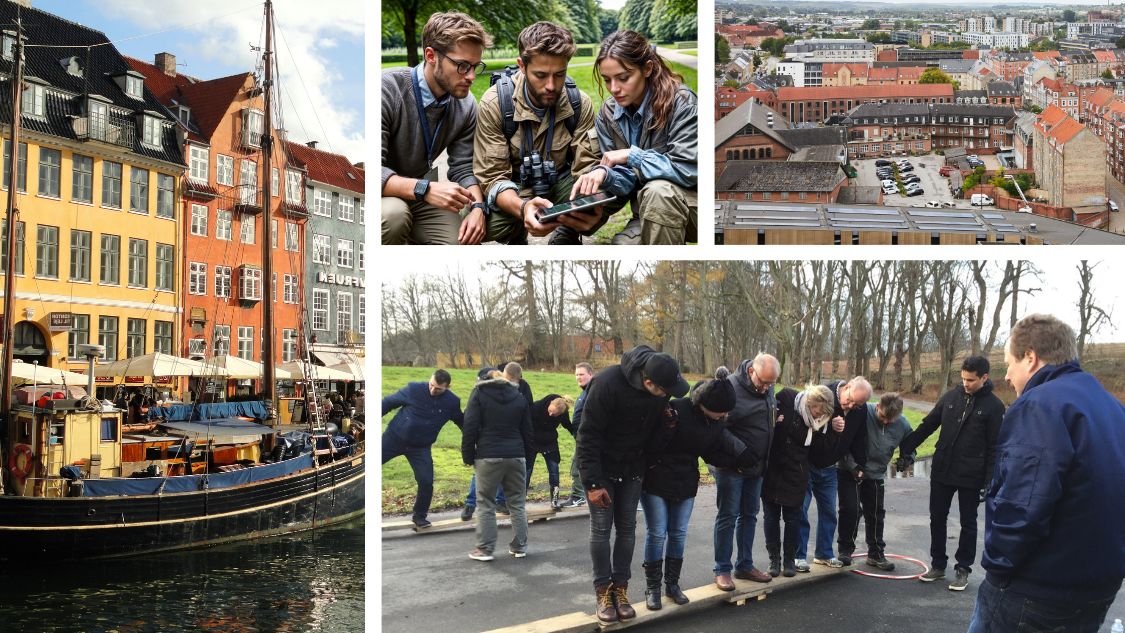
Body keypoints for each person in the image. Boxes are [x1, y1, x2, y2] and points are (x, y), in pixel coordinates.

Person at [967, 314, 1125, 633]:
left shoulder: (1039, 405)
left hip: (1036, 590)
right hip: (1097, 587)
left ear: (1030, 357)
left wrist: (997, 569)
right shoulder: (1110, 406)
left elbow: (1022, 504)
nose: (1008, 376)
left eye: (1010, 363)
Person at [577, 345, 688, 623]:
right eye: (664, 391)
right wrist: (592, 483)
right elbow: (587, 435)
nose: (667, 396)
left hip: (632, 470)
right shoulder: (606, 384)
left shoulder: (658, 394)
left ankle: (620, 590)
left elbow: (653, 441)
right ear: (648, 382)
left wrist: (667, 427)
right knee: (602, 530)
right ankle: (603, 592)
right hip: (602, 470)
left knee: (627, 529)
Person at [473, 22, 603, 245]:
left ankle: (568, 233)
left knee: (603, 198)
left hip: (561, 185)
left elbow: (587, 168)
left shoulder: (579, 103)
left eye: (559, 74)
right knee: (482, 227)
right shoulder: (495, 103)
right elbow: (493, 178)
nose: (551, 85)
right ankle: (516, 236)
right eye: (541, 75)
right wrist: (523, 208)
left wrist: (590, 203)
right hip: (513, 191)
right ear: (521, 66)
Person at [571, 30, 698, 245]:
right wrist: (605, 174)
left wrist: (633, 156)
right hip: (647, 213)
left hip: (694, 209)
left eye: (623, 78)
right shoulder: (608, 114)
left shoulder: (682, 103)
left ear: (647, 69)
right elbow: (627, 180)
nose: (614, 89)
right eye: (607, 80)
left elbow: (688, 170)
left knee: (658, 192)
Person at [640, 369, 751, 611]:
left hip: (686, 480)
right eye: (721, 412)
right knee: (658, 533)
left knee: (678, 533)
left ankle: (672, 585)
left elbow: (710, 451)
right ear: (705, 405)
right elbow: (651, 446)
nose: (725, 416)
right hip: (657, 478)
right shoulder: (675, 409)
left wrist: (739, 460)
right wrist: (667, 429)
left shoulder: (715, 421)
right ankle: (652, 588)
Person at [381, 12, 491, 245]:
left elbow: (463, 167)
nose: (471, 76)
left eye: (475, 66)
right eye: (462, 66)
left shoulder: (466, 104)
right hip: (383, 195)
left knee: (463, 241)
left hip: (421, 193)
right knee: (394, 217)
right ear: (431, 55)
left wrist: (478, 208)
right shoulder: (387, 89)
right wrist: (425, 188)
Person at [898, 356, 1004, 591]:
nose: (965, 383)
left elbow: (995, 448)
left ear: (984, 378)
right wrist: (906, 448)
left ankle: (963, 569)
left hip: (972, 474)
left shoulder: (994, 407)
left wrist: (989, 481)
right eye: (963, 378)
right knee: (937, 517)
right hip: (943, 468)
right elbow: (928, 425)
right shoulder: (950, 398)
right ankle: (937, 565)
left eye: (971, 380)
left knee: (968, 522)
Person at [712, 353, 780, 590]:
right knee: (728, 516)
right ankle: (722, 569)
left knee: (750, 515)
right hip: (731, 467)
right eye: (763, 382)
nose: (766, 388)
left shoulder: (767, 388)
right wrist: (740, 450)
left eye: (771, 384)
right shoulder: (730, 388)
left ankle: (744, 564)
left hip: (757, 466)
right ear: (752, 371)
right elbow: (717, 425)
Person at [794, 375, 871, 571]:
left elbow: (859, 438)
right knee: (801, 510)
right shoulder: (825, 394)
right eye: (850, 400)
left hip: (830, 467)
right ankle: (798, 556)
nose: (851, 405)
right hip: (808, 463)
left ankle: (824, 554)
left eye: (857, 404)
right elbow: (805, 423)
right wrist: (830, 428)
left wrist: (860, 465)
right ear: (847, 386)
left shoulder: (859, 410)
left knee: (829, 512)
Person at [761, 384, 837, 578]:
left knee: (793, 519)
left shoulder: (821, 423)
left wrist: (833, 431)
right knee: (770, 517)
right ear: (811, 402)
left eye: (822, 414)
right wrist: (773, 420)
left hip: (797, 473)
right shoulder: (786, 398)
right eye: (816, 411)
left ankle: (789, 560)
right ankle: (774, 560)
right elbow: (766, 410)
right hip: (773, 470)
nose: (818, 416)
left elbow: (820, 450)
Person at [462, 365, 534, 561]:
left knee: (485, 502)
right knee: (517, 503)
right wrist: (527, 456)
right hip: (516, 455)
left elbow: (470, 426)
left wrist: (468, 456)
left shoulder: (479, 393)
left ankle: (485, 549)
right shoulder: (518, 397)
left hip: (488, 455)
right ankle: (520, 546)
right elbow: (528, 430)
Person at [838, 393, 914, 572]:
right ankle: (845, 550)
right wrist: (853, 466)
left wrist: (907, 459)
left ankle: (875, 553)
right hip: (850, 469)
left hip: (876, 474)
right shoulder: (862, 412)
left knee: (876, 514)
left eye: (891, 420)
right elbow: (843, 442)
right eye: (883, 417)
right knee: (851, 510)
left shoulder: (902, 424)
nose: (886, 422)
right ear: (878, 407)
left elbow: (910, 446)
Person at [381, 370, 464, 528]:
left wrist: (474, 439)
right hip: (394, 438)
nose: (433, 390)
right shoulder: (413, 389)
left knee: (426, 481)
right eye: (431, 385)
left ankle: (420, 516)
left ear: (448, 387)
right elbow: (388, 403)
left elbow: (462, 422)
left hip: (420, 447)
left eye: (438, 389)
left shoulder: (452, 402)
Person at [527, 395, 573, 510]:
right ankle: (520, 501)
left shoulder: (563, 412)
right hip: (533, 441)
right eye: (550, 411)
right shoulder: (536, 407)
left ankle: (554, 501)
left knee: (554, 471)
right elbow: (525, 422)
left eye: (554, 414)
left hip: (550, 442)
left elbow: (568, 425)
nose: (550, 415)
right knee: (527, 471)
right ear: (549, 404)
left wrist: (578, 435)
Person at [562, 362, 594, 507]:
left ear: (590, 374)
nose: (578, 377)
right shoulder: (584, 392)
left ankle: (577, 496)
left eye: (581, 374)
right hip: (581, 438)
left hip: (588, 439)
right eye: (576, 374)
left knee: (577, 467)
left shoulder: (592, 392)